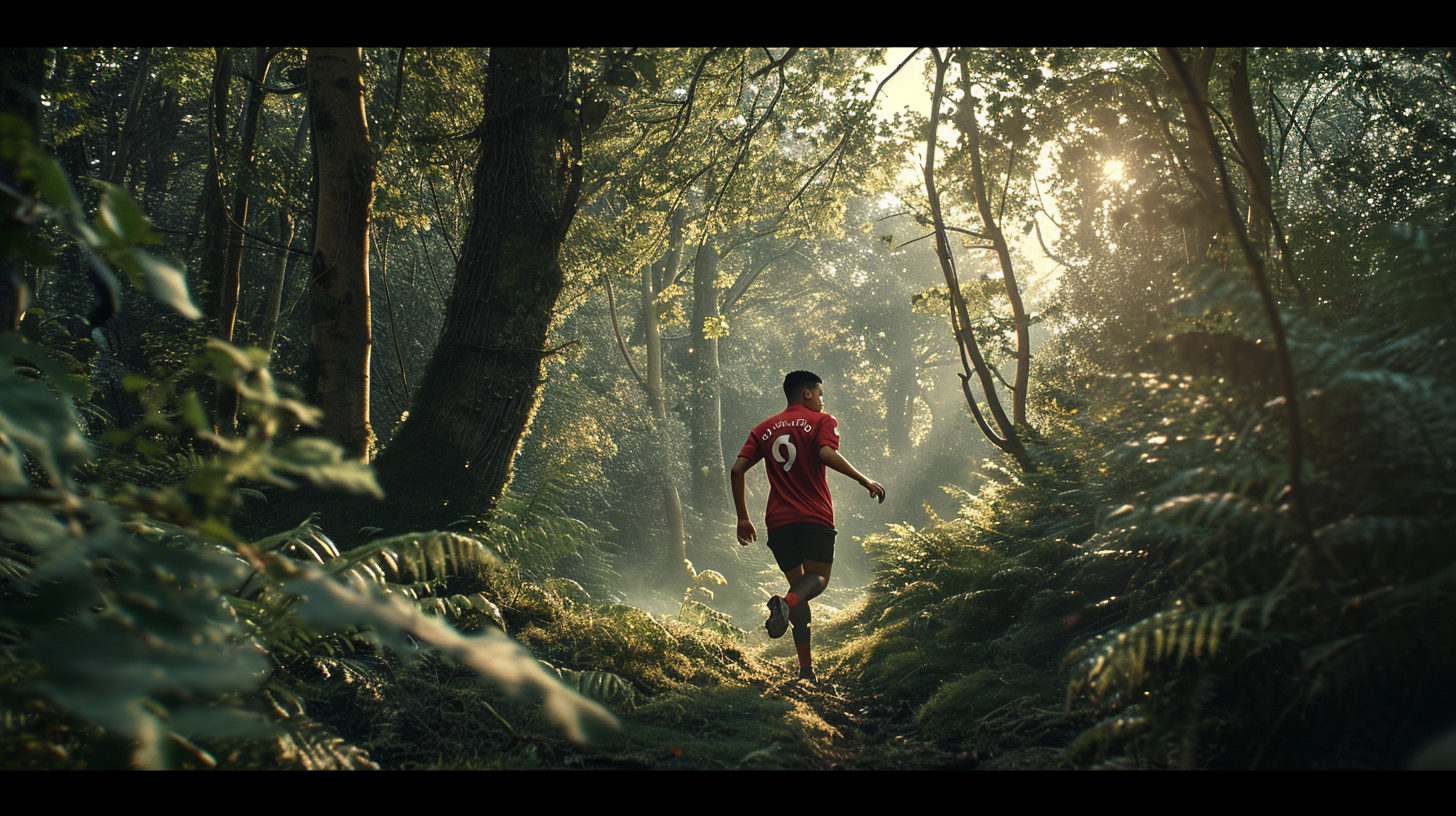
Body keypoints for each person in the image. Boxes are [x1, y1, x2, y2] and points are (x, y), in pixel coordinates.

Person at [731, 370, 885, 682]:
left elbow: (737, 470)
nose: (822, 401)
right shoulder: (822, 421)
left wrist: (743, 518)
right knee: (817, 580)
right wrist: (863, 479)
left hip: (778, 522)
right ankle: (785, 606)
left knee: (799, 587)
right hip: (814, 516)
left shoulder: (762, 429)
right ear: (807, 394)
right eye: (820, 394)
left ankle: (806, 671)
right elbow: (827, 453)